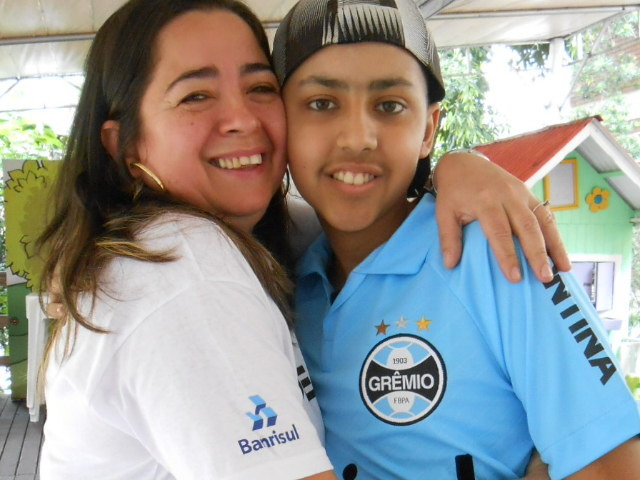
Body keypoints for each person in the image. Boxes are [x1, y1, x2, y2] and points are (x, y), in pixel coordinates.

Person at [37, 0, 569, 478]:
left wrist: (458, 168)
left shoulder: (285, 240)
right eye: (195, 95)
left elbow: (364, 214)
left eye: (259, 88)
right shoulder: (181, 267)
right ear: (124, 144)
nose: (241, 118)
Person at [273, 0, 640, 479]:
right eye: (322, 104)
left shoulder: (497, 250)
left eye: (389, 106)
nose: (357, 137)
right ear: (279, 123)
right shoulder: (287, 279)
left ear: (429, 129)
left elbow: (612, 462)